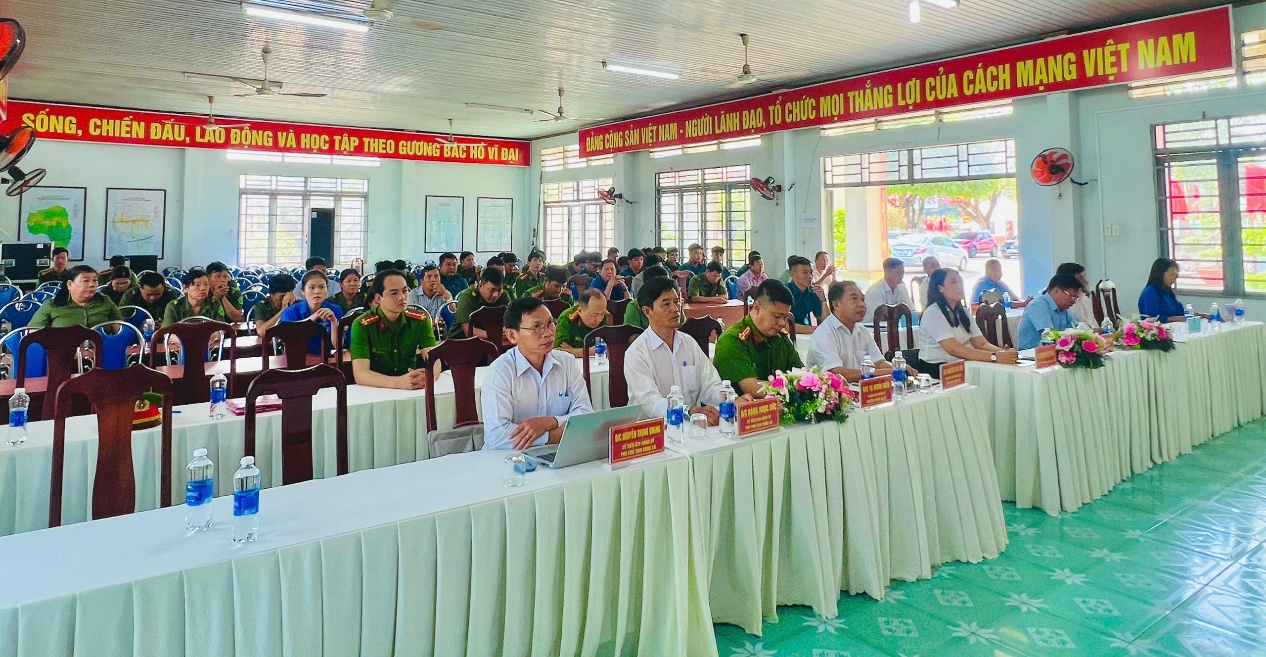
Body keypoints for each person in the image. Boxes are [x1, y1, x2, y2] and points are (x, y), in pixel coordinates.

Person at [481, 297, 594, 451]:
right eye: (536, 327)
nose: (548, 333)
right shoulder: (500, 372)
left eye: (550, 323)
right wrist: (552, 436)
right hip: (508, 458)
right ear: (512, 335)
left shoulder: (567, 363)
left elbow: (586, 414)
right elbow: (497, 436)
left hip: (560, 454)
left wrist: (550, 422)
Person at [626, 275, 728, 423]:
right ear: (647, 311)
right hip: (653, 430)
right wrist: (687, 411)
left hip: (691, 427)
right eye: (666, 304)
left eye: (676, 301)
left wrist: (730, 399)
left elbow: (711, 385)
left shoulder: (689, 343)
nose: (675, 309)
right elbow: (650, 402)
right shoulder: (637, 353)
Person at [915, 268, 1017, 375]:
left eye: (960, 281)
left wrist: (1002, 353)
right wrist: (994, 357)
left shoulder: (964, 312)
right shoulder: (933, 313)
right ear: (940, 288)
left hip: (962, 364)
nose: (959, 286)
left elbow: (981, 344)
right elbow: (954, 349)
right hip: (937, 368)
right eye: (953, 282)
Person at [351, 269, 438, 389]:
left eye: (405, 291)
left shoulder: (420, 320)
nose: (402, 297)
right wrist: (398, 382)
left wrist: (429, 376)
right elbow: (361, 374)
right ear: (378, 298)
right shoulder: (362, 325)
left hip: (411, 387)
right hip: (376, 388)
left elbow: (434, 358)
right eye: (394, 293)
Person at [713, 280, 804, 395]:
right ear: (756, 307)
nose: (782, 323)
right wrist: (791, 386)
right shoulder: (732, 340)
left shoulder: (781, 338)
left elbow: (801, 375)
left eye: (786, 317)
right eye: (777, 316)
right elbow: (754, 389)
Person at [808, 281, 909, 382]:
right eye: (854, 299)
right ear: (836, 305)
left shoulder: (862, 331)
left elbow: (879, 363)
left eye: (863, 299)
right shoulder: (824, 333)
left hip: (861, 387)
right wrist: (890, 372)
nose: (862, 305)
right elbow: (837, 373)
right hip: (834, 390)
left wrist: (898, 368)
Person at [30, 264, 123, 328]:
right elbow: (34, 332)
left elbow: (120, 330)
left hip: (100, 349)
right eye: (85, 281)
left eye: (95, 280)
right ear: (70, 284)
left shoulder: (104, 301)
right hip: (64, 350)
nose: (92, 284)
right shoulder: (52, 305)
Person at [276, 269, 344, 354]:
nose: (317, 291)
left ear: (327, 290)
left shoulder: (335, 309)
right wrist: (315, 316)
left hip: (327, 356)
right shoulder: (290, 312)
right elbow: (291, 342)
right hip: (298, 357)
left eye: (322, 287)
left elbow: (338, 346)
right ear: (303, 291)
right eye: (312, 288)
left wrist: (334, 322)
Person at [1016, 273, 1082, 350]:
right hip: (1030, 354)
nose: (1073, 301)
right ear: (1057, 291)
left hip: (1053, 352)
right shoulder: (1038, 305)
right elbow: (1049, 335)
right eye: (1072, 296)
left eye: (1076, 298)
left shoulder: (1064, 309)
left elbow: (1077, 329)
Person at [451, 266, 505, 338]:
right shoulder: (467, 297)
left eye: (499, 290)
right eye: (492, 290)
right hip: (460, 340)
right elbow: (468, 331)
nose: (496, 295)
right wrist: (494, 334)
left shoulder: (504, 295)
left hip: (492, 339)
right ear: (480, 285)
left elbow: (512, 322)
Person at [554, 289, 612, 356]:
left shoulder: (606, 316)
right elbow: (558, 351)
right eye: (595, 315)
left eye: (602, 314)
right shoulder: (567, 318)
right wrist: (591, 351)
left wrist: (572, 351)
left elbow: (608, 348)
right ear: (580, 311)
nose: (599, 320)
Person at [164, 267, 229, 324]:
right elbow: (168, 331)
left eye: (206, 284)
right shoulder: (174, 307)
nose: (203, 288)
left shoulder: (214, 304)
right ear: (186, 288)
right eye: (197, 285)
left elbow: (221, 328)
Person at [1138, 257, 1189, 322]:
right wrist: (1176, 319)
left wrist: (1194, 315)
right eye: (1171, 275)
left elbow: (1180, 312)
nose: (1173, 280)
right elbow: (1152, 319)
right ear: (1160, 274)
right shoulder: (1150, 292)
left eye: (1176, 277)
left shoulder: (1167, 291)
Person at [409, 264, 456, 328]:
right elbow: (410, 315)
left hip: (441, 330)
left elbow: (454, 315)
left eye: (436, 276)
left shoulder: (445, 293)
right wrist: (430, 322)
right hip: (420, 329)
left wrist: (445, 295)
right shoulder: (413, 294)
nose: (433, 280)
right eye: (429, 276)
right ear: (421, 282)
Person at [786, 255, 824, 328]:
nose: (810, 276)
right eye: (805, 272)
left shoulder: (812, 292)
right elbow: (785, 325)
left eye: (811, 272)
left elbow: (825, 320)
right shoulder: (785, 292)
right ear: (793, 274)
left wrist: (823, 301)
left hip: (807, 331)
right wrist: (815, 330)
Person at [1056, 262, 1098, 326]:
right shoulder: (1064, 303)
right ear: (1069, 280)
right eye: (1080, 278)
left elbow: (1092, 323)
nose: (1086, 281)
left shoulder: (1084, 298)